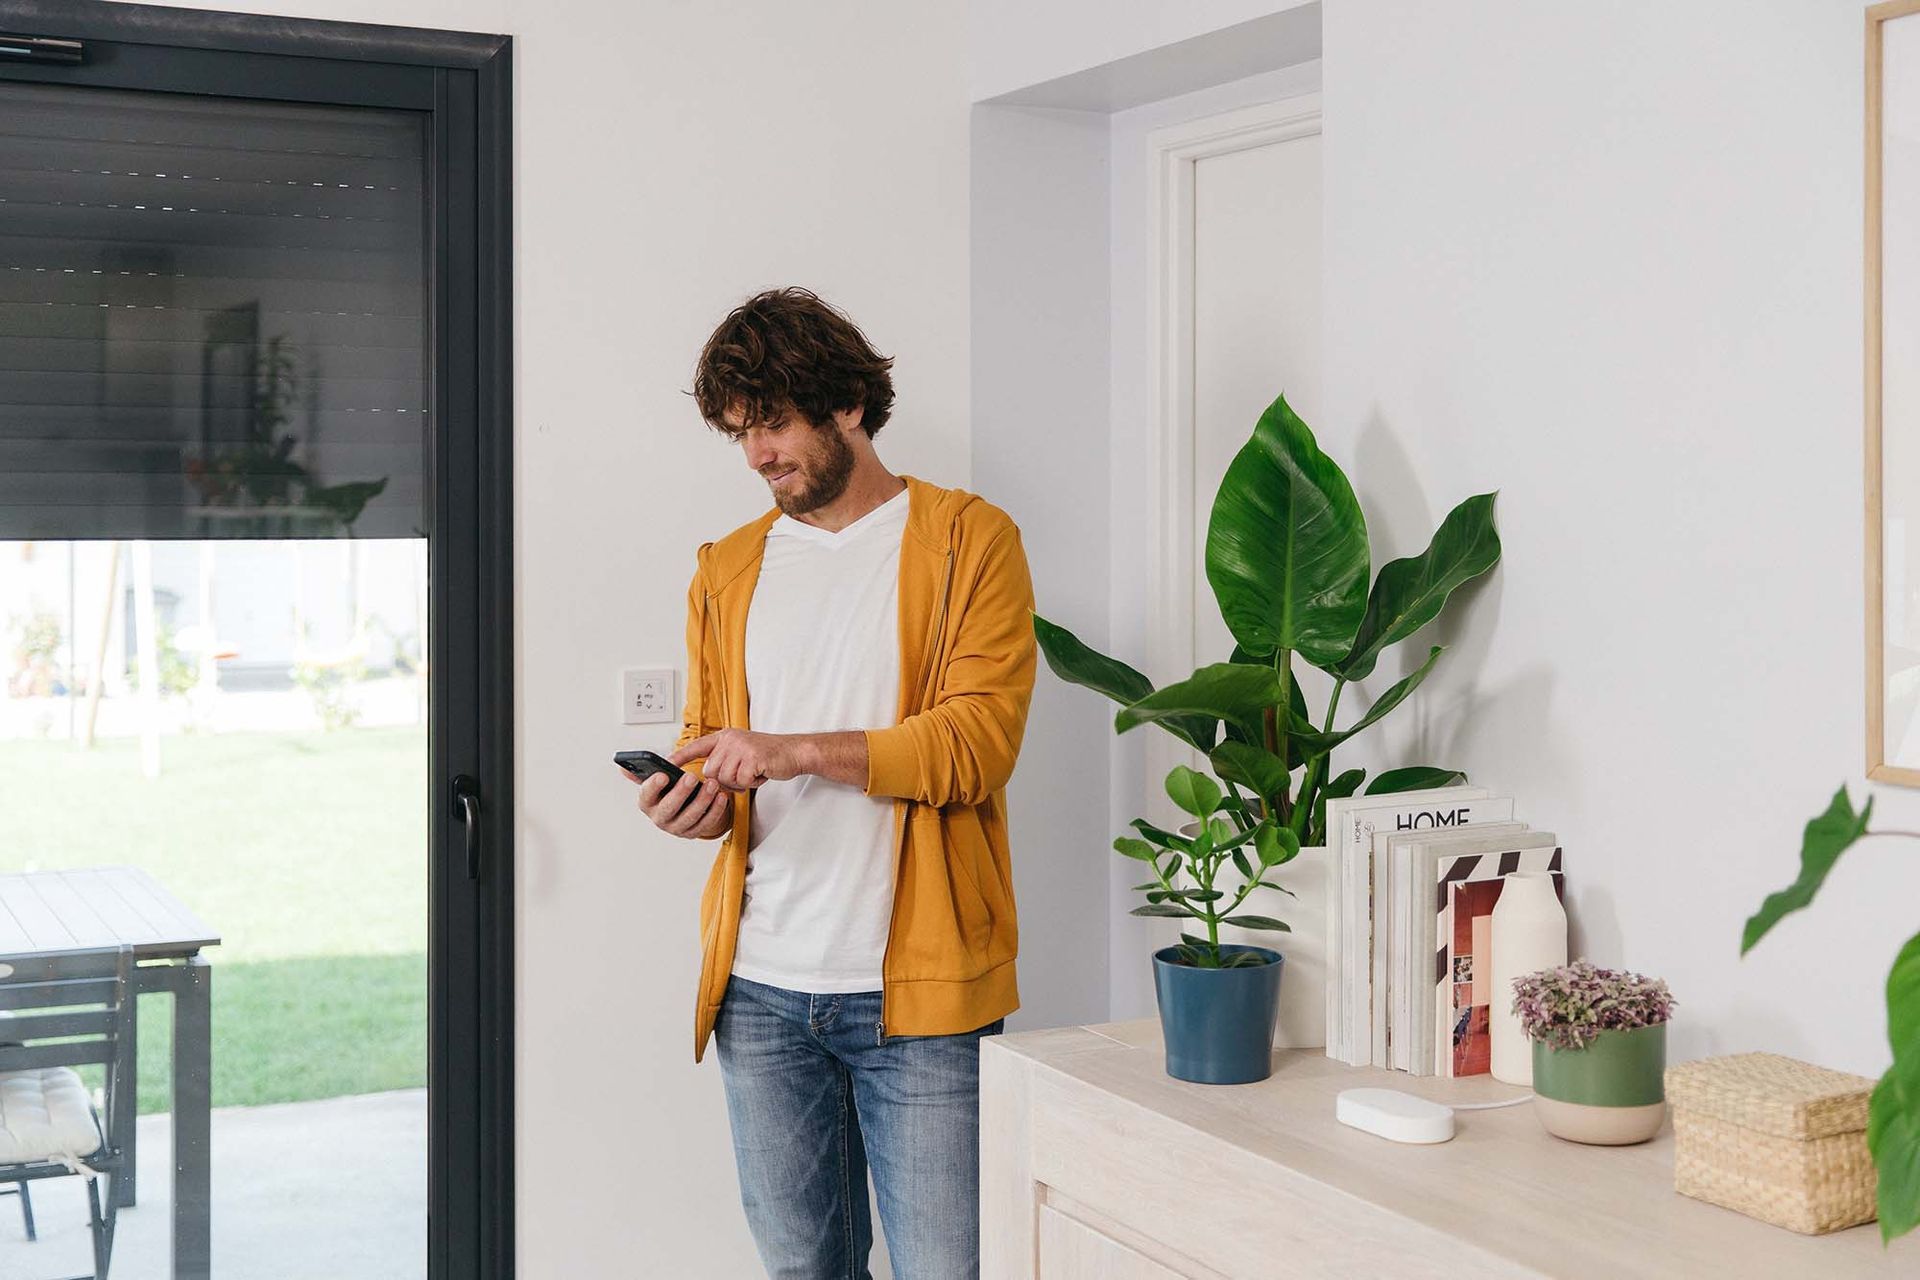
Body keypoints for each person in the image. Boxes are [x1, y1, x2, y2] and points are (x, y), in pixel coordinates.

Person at [630, 287, 1036, 1279]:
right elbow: (716, 752)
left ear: (849, 405)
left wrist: (797, 751)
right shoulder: (725, 569)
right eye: (740, 433)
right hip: (762, 993)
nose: (758, 454)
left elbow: (978, 743)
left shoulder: (969, 540)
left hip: (924, 1002)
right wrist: (693, 803)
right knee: (803, 1267)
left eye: (773, 423)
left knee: (950, 1267)